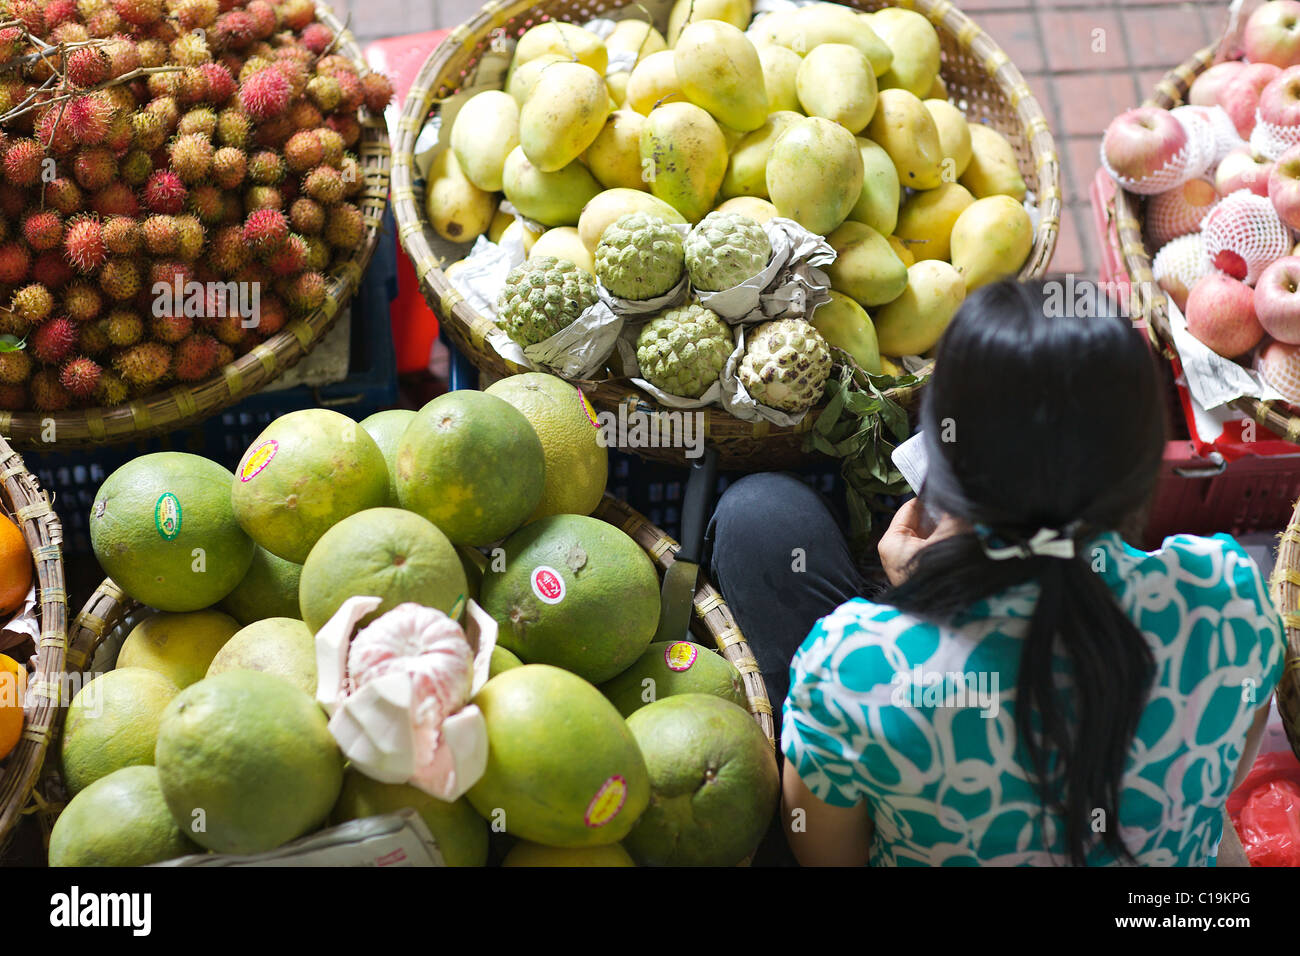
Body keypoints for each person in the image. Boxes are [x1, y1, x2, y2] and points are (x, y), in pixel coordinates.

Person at [707, 279, 1284, 866]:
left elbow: (830, 860)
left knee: (761, 520)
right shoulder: (1228, 601)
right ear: (1141, 464)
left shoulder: (855, 669)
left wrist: (909, 617)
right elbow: (1224, 776)